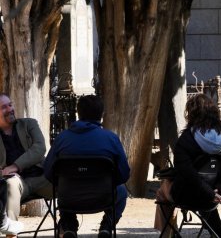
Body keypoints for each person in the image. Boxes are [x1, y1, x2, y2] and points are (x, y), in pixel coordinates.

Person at [154, 94, 221, 238]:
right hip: (218, 190)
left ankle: (169, 234)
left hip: (188, 193)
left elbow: (186, 173)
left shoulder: (186, 139)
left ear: (191, 114)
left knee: (162, 192)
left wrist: (209, 192)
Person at [43, 95, 130, 238]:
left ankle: (69, 226)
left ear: (79, 113)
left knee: (62, 188)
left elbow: (48, 172)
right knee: (121, 192)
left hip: (69, 198)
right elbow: (124, 174)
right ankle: (106, 228)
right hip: (103, 197)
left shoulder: (62, 138)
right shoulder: (111, 138)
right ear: (101, 114)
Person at [0, 93, 53, 237]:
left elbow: (39, 148)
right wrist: (5, 173)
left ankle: (67, 229)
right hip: (18, 183)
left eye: (10, 105)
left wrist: (15, 166)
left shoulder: (29, 124)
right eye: (4, 107)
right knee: (10, 184)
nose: (10, 109)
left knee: (66, 181)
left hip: (42, 177)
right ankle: (11, 234)